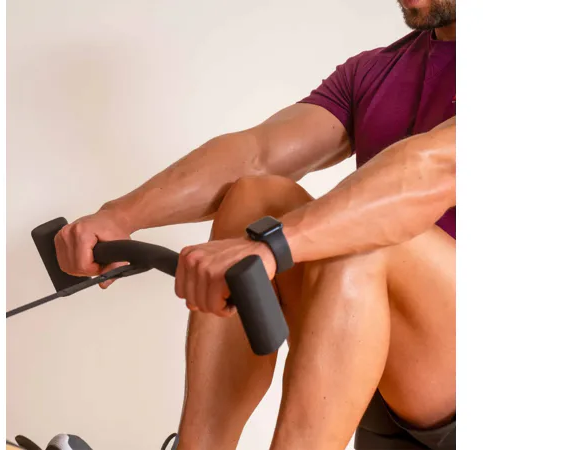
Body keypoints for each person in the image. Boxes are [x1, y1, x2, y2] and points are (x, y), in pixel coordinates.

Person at [54, 0, 456, 448]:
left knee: (361, 243)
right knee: (255, 198)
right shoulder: (378, 69)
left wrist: (274, 246)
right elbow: (258, 154)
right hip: (384, 365)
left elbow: (435, 168)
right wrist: (120, 216)